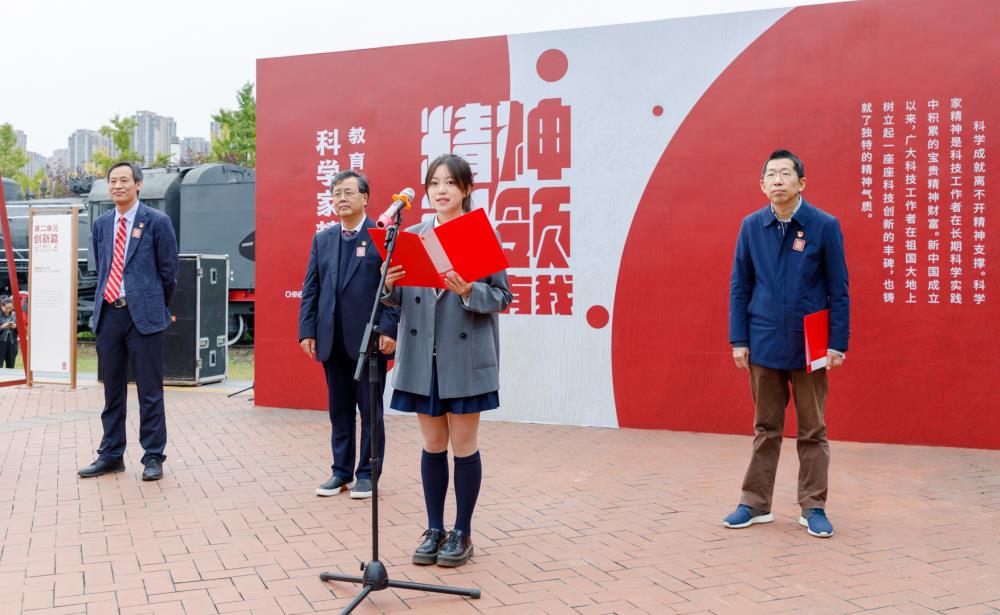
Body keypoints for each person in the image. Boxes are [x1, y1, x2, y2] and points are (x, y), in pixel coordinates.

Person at [382, 154, 511, 567]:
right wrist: (387, 284)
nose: (441, 190)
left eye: (450, 183)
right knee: (433, 445)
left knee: (463, 446)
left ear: (466, 189)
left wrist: (470, 290)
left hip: (465, 356)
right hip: (422, 358)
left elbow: (502, 297)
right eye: (434, 183)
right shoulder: (412, 235)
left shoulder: (480, 234)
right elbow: (395, 299)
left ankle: (462, 531)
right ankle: (434, 528)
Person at [725, 149, 849, 538]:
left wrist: (837, 344)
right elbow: (740, 286)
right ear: (762, 185)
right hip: (762, 339)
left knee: (812, 428)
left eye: (785, 174)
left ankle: (813, 507)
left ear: (802, 183)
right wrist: (739, 339)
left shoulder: (824, 225)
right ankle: (754, 503)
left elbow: (839, 290)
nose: (777, 180)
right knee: (766, 427)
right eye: (771, 175)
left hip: (810, 342)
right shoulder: (751, 226)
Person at [299, 170, 399, 499]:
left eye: (348, 192)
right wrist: (307, 330)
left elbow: (395, 287)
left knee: (370, 412)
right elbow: (311, 288)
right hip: (332, 339)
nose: (341, 198)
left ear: (365, 198)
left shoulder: (381, 236)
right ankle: (340, 472)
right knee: (339, 410)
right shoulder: (323, 239)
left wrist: (388, 328)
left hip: (369, 340)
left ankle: (368, 474)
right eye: (336, 193)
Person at [79, 161, 178, 481]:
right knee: (112, 391)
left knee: (150, 391)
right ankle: (111, 455)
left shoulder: (157, 221)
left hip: (144, 318)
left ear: (138, 184)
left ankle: (153, 456)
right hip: (109, 314)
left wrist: (152, 304)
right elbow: (103, 267)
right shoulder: (102, 224)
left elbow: (169, 273)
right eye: (112, 181)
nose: (117, 186)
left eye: (124, 180)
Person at [0, 296, 18, 368]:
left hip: (12, 344)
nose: (8, 310)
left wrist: (15, 327)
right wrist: (2, 327)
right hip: (1, 343)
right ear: (1, 306)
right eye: (6, 308)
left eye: (10, 308)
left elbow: (22, 331)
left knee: (11, 366)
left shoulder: (15, 315)